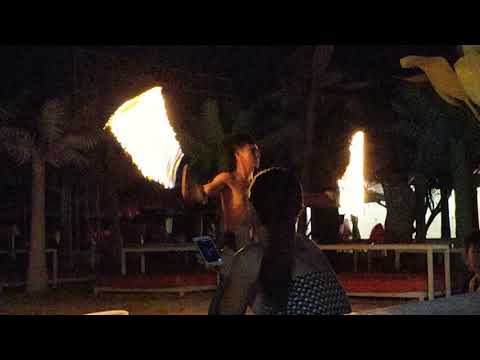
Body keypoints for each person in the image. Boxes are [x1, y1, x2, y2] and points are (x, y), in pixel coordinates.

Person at [212, 167, 352, 315]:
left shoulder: (252, 259)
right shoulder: (309, 249)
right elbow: (273, 304)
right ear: (298, 209)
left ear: (252, 210)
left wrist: (227, 277)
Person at [181, 133, 260, 313]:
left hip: (254, 248)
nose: (257, 154)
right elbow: (198, 195)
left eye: (257, 150)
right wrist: (187, 175)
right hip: (233, 244)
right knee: (230, 290)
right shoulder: (227, 179)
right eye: (251, 150)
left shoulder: (259, 183)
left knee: (241, 294)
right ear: (238, 154)